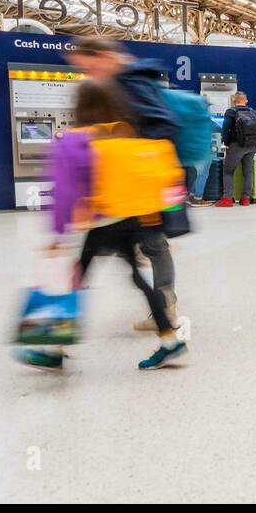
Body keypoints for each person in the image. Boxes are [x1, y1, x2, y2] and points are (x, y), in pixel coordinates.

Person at [17, 79, 188, 371]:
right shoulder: (124, 132)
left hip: (101, 221)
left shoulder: (74, 139)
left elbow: (66, 191)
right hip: (129, 216)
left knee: (76, 279)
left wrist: (58, 234)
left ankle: (55, 349)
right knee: (135, 277)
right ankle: (171, 340)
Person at [64, 37, 180, 331]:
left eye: (86, 64)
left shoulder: (131, 82)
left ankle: (166, 312)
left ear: (102, 56)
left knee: (153, 246)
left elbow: (165, 125)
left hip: (137, 186)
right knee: (141, 253)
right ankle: (166, 324)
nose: (86, 72)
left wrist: (129, 151)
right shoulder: (119, 82)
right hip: (125, 191)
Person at [217, 91, 256, 207]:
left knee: (228, 172)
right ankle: (245, 199)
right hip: (252, 145)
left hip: (237, 146)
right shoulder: (254, 112)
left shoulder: (231, 112)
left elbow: (226, 129)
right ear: (246, 101)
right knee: (248, 172)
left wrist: (226, 143)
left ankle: (227, 199)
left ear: (233, 100)